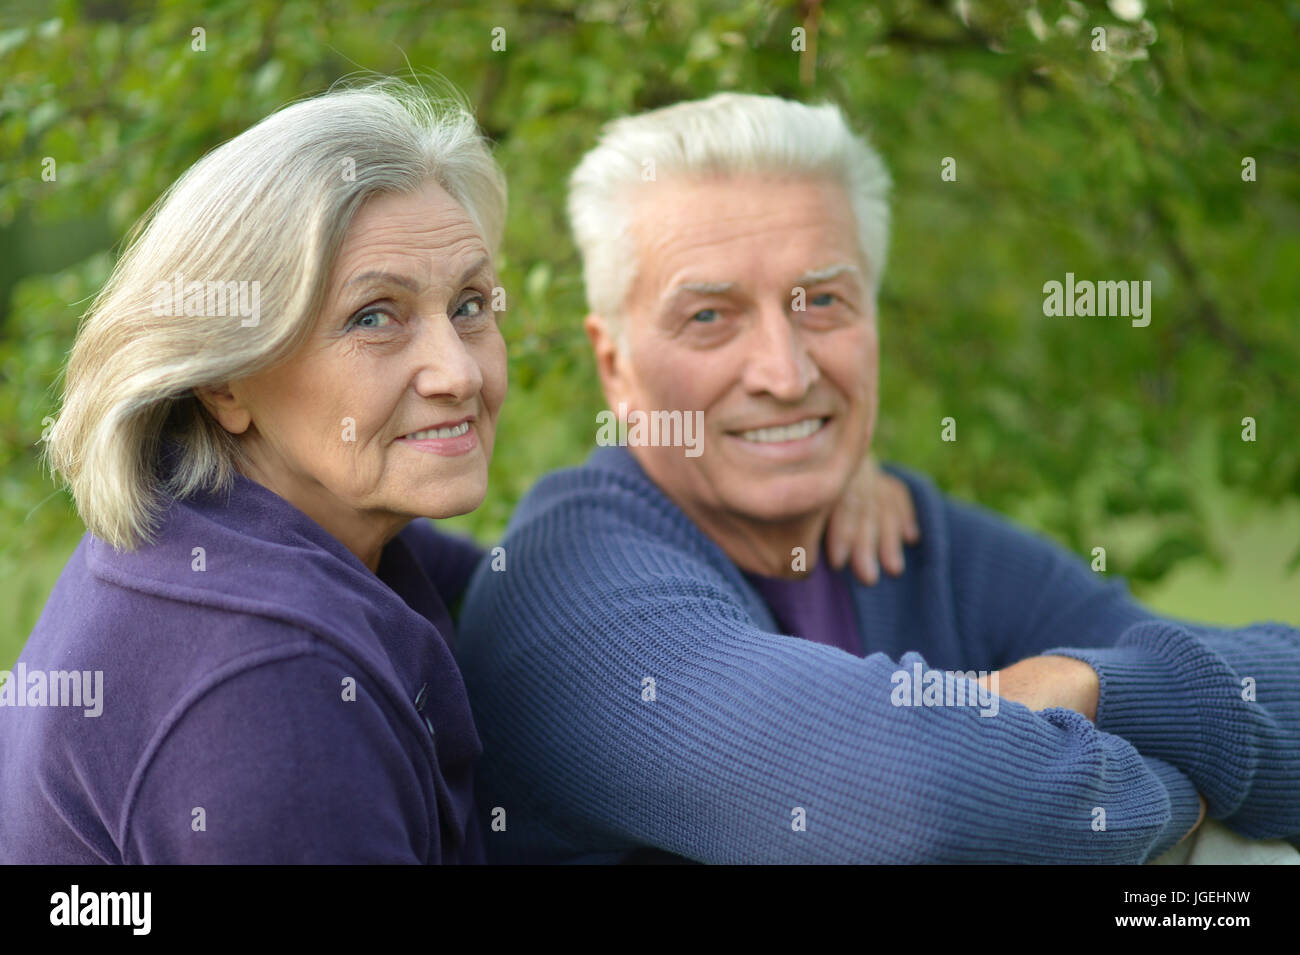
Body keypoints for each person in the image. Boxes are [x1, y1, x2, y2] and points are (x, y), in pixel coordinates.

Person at [0, 80, 915, 864]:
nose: (460, 371)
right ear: (229, 380)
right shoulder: (273, 690)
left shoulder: (260, 532)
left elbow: (575, 619)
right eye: (374, 317)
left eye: (470, 305)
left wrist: (801, 448)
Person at [454, 92, 1300, 864]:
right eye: (709, 316)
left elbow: (1280, 681)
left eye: (822, 301)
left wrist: (1092, 684)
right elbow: (917, 798)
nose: (785, 373)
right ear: (617, 367)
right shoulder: (564, 587)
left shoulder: (909, 538)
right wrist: (1188, 810)